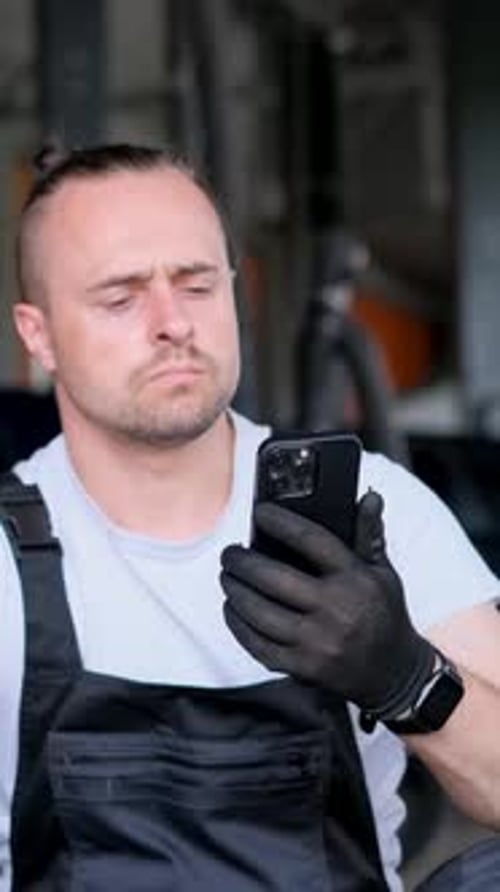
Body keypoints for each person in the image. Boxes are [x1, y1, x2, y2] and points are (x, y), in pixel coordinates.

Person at [1, 142, 500, 892]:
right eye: (121, 297)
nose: (173, 323)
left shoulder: (375, 507)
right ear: (36, 336)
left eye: (197, 284)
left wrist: (406, 678)